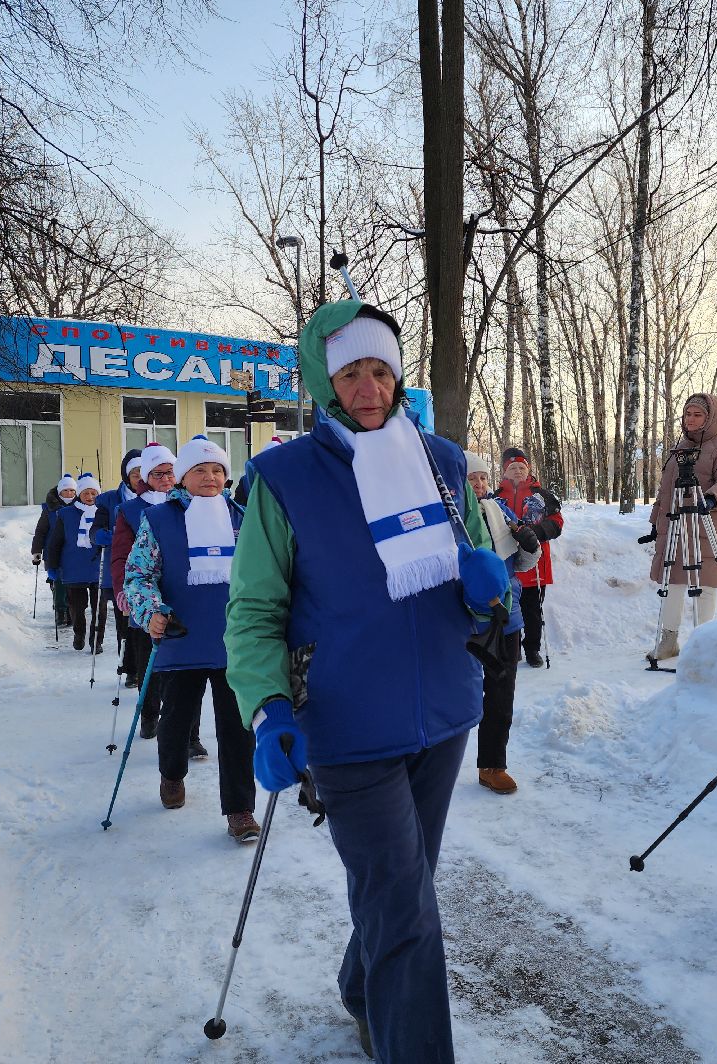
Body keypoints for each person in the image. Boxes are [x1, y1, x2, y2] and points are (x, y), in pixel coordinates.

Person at [225, 299, 508, 1062]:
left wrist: (489, 587)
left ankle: (361, 986)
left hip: (444, 714)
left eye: (382, 371)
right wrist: (268, 708)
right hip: (346, 725)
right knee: (406, 909)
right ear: (325, 379)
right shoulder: (283, 479)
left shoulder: (442, 462)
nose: (371, 388)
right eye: (352, 372)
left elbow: (480, 578)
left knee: (403, 891)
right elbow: (252, 610)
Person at [123, 435, 258, 841]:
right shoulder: (161, 520)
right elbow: (138, 575)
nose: (211, 477)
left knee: (237, 728)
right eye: (200, 470)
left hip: (233, 640)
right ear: (182, 477)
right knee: (176, 720)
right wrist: (150, 612)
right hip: (180, 636)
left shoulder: (242, 517)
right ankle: (171, 775)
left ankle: (240, 810)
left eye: (217, 470)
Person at [110, 442, 200, 752]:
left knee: (188, 670)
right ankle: (149, 715)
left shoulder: (192, 503)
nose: (165, 478)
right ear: (146, 477)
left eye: (170, 472)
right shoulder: (131, 510)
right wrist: (123, 590)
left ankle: (190, 735)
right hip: (146, 598)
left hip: (183, 597)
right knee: (150, 661)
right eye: (158, 473)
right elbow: (121, 555)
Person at [644, 393, 717, 661]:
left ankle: (703, 645)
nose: (691, 419)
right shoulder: (679, 448)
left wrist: (711, 497)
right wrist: (656, 521)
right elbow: (665, 491)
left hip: (708, 527)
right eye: (688, 414)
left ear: (711, 417)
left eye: (697, 414)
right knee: (673, 582)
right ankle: (668, 641)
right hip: (675, 527)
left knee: (706, 586)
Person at [465, 450, 542, 795]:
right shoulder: (449, 517)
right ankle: (432, 760)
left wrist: (529, 545)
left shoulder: (500, 510)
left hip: (505, 617)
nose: (479, 484)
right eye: (471, 478)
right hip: (463, 620)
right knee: (456, 693)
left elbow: (522, 564)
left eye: (482, 477)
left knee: (500, 694)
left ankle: (491, 765)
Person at [495, 447, 563, 667]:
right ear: (505, 471)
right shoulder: (495, 497)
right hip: (507, 565)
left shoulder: (542, 496)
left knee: (533, 611)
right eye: (512, 467)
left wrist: (537, 532)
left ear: (528, 469)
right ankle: (512, 648)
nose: (517, 471)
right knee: (508, 609)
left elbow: (557, 523)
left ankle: (532, 648)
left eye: (521, 467)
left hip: (535, 565)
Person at [92, 450, 144, 662]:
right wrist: (101, 535)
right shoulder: (111, 500)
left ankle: (137, 665)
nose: (140, 478)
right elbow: (94, 532)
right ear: (127, 477)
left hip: (148, 568)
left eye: (143, 472)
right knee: (125, 622)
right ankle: (128, 666)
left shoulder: (159, 496)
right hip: (120, 568)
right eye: (135, 474)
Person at [44, 472, 103, 650]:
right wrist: (52, 566)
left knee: (99, 609)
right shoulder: (66, 514)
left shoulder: (104, 512)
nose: (90, 497)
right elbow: (55, 542)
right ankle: (79, 634)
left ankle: (96, 641)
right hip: (73, 567)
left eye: (94, 493)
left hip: (98, 567)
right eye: (86, 493)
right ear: (80, 494)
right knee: (77, 608)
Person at [33, 473, 77, 627]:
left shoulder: (80, 506)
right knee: (58, 582)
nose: (69, 494)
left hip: (73, 552)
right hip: (53, 552)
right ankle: (60, 611)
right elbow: (41, 531)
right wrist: (36, 551)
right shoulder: (49, 510)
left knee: (72, 583)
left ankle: (72, 611)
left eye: (72, 491)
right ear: (59, 493)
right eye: (66, 491)